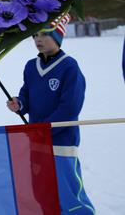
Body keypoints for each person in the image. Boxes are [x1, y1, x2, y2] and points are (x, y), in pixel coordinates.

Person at [7, 17, 94, 214]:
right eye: (35, 35)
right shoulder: (31, 66)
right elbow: (26, 95)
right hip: (37, 141)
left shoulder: (69, 67)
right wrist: (19, 104)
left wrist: (44, 129)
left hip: (61, 142)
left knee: (67, 191)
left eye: (45, 34)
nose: (38, 39)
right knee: (42, 191)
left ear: (58, 36)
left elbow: (70, 109)